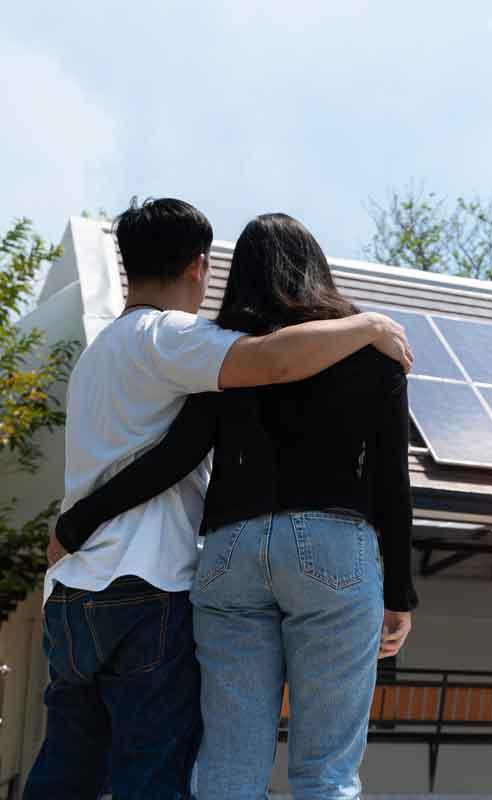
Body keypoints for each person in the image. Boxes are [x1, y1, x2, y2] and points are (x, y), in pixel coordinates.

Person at [25, 199, 413, 800]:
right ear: (198, 265)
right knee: (321, 772)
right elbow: (390, 476)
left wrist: (76, 525)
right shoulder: (221, 348)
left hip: (197, 561)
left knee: (217, 772)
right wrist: (399, 594)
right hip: (273, 559)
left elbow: (176, 454)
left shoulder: (157, 356)